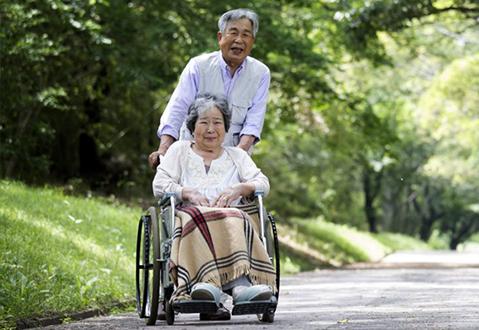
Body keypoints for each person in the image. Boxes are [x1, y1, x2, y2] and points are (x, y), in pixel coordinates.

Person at [152, 94, 275, 320]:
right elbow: (159, 184)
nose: (211, 129)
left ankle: (240, 286)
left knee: (237, 217)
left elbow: (263, 183)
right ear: (192, 127)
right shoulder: (179, 150)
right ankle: (203, 283)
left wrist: (240, 189)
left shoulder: (237, 156)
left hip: (232, 216)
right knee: (194, 217)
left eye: (217, 122)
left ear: (226, 128)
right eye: (204, 122)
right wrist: (186, 191)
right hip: (188, 213)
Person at [148, 8, 270, 169]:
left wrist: (237, 158)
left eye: (246, 35)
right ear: (220, 37)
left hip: (233, 154)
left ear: (252, 42)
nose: (239, 40)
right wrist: (164, 149)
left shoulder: (261, 73)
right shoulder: (198, 66)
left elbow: (254, 122)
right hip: (192, 152)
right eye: (233, 33)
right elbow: (177, 108)